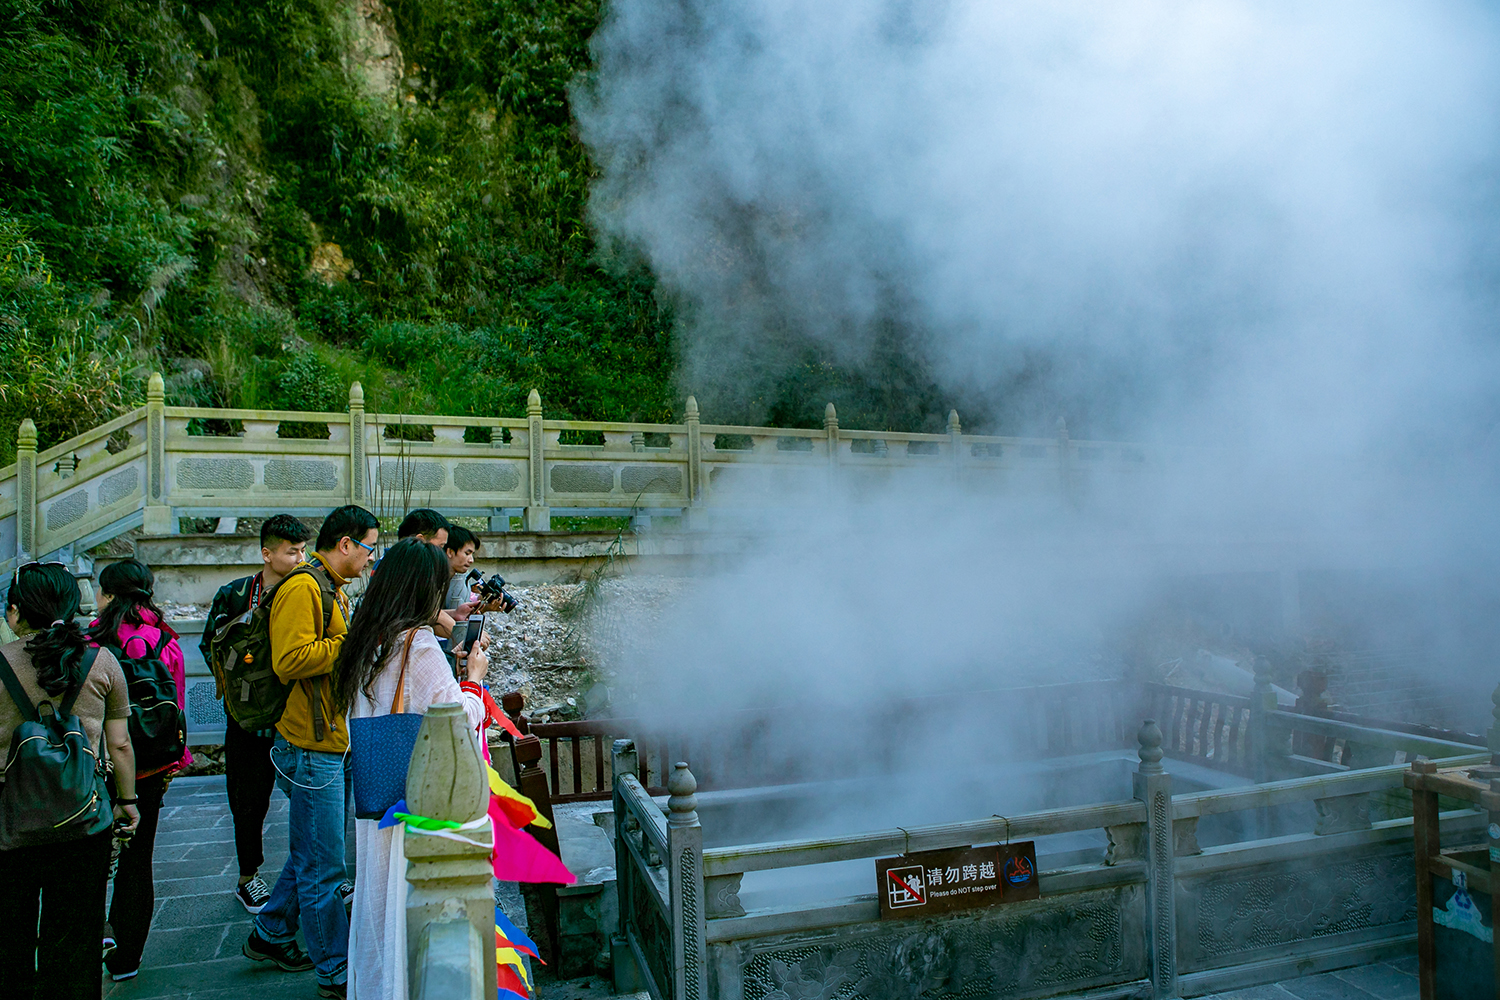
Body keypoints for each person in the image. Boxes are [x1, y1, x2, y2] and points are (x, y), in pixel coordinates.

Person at [333, 538, 488, 1000]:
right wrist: (474, 680)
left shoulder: (368, 638)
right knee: (411, 900)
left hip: (376, 789)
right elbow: (453, 720)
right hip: (414, 800)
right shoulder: (416, 643)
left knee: (378, 898)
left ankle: (379, 986)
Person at [243, 504, 378, 999]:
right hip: (309, 747)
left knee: (311, 852)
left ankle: (272, 931)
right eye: (368, 547)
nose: (369, 558)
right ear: (345, 544)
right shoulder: (303, 587)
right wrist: (352, 642)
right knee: (324, 867)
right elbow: (290, 661)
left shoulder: (331, 588)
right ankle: (335, 971)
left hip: (329, 740)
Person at [0, 563, 139, 1000]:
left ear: (15, 613)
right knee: (77, 940)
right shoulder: (102, 660)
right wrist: (127, 801)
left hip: (8, 823)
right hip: (83, 820)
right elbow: (119, 745)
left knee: (9, 941)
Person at [201, 514, 313, 912]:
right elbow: (209, 645)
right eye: (291, 552)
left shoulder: (308, 592)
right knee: (248, 801)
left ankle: (313, 873)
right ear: (266, 553)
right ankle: (248, 877)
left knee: (312, 800)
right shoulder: (234, 594)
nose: (300, 559)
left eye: (303, 551)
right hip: (247, 721)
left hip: (297, 716)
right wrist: (240, 690)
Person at [442, 525, 480, 610]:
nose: (471, 560)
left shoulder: (462, 577)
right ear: (450, 552)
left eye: (472, 554)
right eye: (467, 553)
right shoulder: (431, 579)